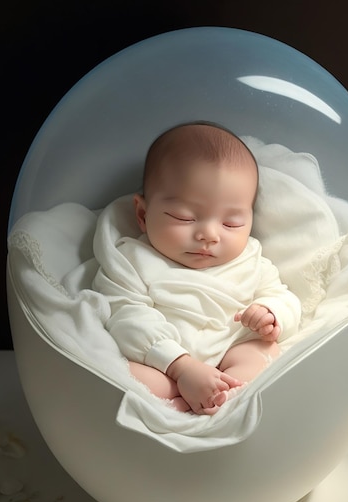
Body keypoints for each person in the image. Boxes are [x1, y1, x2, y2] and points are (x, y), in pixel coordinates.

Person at [92, 122, 301, 414]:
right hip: (163, 364)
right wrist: (181, 367)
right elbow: (125, 315)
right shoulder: (132, 259)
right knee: (112, 370)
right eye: (184, 217)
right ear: (142, 213)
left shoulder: (251, 260)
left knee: (263, 351)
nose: (209, 235)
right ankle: (177, 398)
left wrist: (270, 313)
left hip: (229, 349)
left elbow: (285, 297)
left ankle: (228, 393)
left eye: (231, 223)